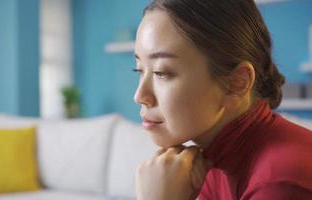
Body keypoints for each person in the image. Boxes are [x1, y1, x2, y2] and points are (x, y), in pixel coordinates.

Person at [133, 0, 312, 199]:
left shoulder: (279, 183)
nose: (140, 96)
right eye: (139, 70)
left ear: (237, 83)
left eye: (162, 72)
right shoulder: (209, 164)